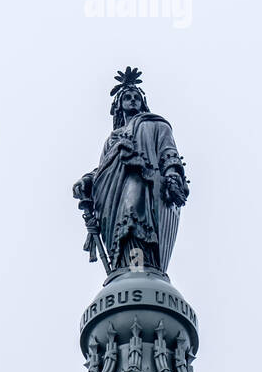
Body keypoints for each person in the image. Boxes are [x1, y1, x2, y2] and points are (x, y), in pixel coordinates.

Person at [73, 67, 188, 275]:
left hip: (143, 181)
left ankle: (141, 269)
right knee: (121, 230)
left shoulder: (156, 125)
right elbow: (102, 169)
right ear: (119, 106)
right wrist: (88, 180)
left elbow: (168, 152)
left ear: (142, 103)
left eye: (136, 97)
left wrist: (172, 175)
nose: (133, 100)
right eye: (127, 97)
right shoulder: (112, 139)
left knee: (134, 214)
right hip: (110, 195)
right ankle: (124, 269)